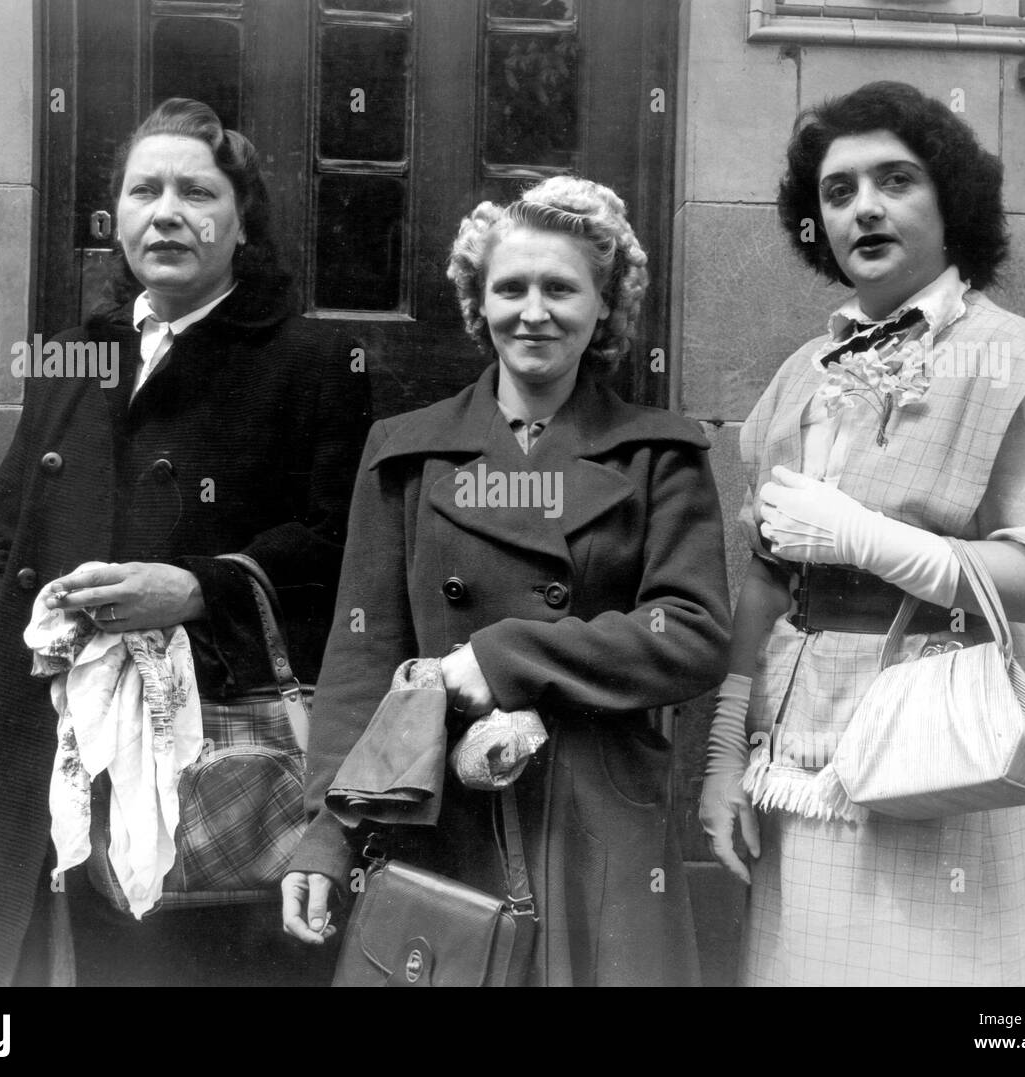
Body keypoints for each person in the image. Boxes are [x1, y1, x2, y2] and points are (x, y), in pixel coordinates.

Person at [699, 81, 1025, 987]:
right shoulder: (803, 372)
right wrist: (726, 754)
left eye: (896, 180)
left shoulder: (1012, 359)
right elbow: (768, 577)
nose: (864, 208)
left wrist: (865, 536)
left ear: (948, 202)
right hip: (800, 756)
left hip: (939, 748)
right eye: (838, 192)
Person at [0, 98, 371, 986]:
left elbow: (343, 551)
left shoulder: (312, 365)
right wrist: (39, 659)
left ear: (242, 221)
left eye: (197, 190)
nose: (168, 211)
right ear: (119, 217)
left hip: (222, 770)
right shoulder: (75, 357)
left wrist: (195, 589)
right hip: (67, 751)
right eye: (145, 190)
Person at [281, 176, 732, 986]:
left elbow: (693, 635)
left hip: (596, 816)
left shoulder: (659, 453)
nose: (534, 311)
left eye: (562, 288)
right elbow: (360, 657)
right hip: (440, 812)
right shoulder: (406, 452)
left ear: (605, 306)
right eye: (510, 287)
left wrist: (507, 657)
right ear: (477, 302)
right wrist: (326, 827)